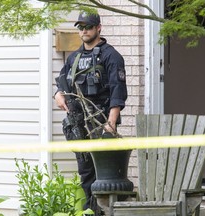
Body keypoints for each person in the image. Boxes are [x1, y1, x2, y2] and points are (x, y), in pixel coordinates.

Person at [54, 11, 127, 215]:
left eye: (88, 27)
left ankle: (104, 212)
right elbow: (62, 82)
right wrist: (58, 94)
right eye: (81, 27)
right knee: (86, 173)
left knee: (104, 176)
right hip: (78, 124)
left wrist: (110, 124)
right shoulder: (74, 58)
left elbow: (118, 92)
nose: (84, 31)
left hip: (101, 122)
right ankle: (90, 211)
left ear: (98, 28)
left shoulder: (111, 56)